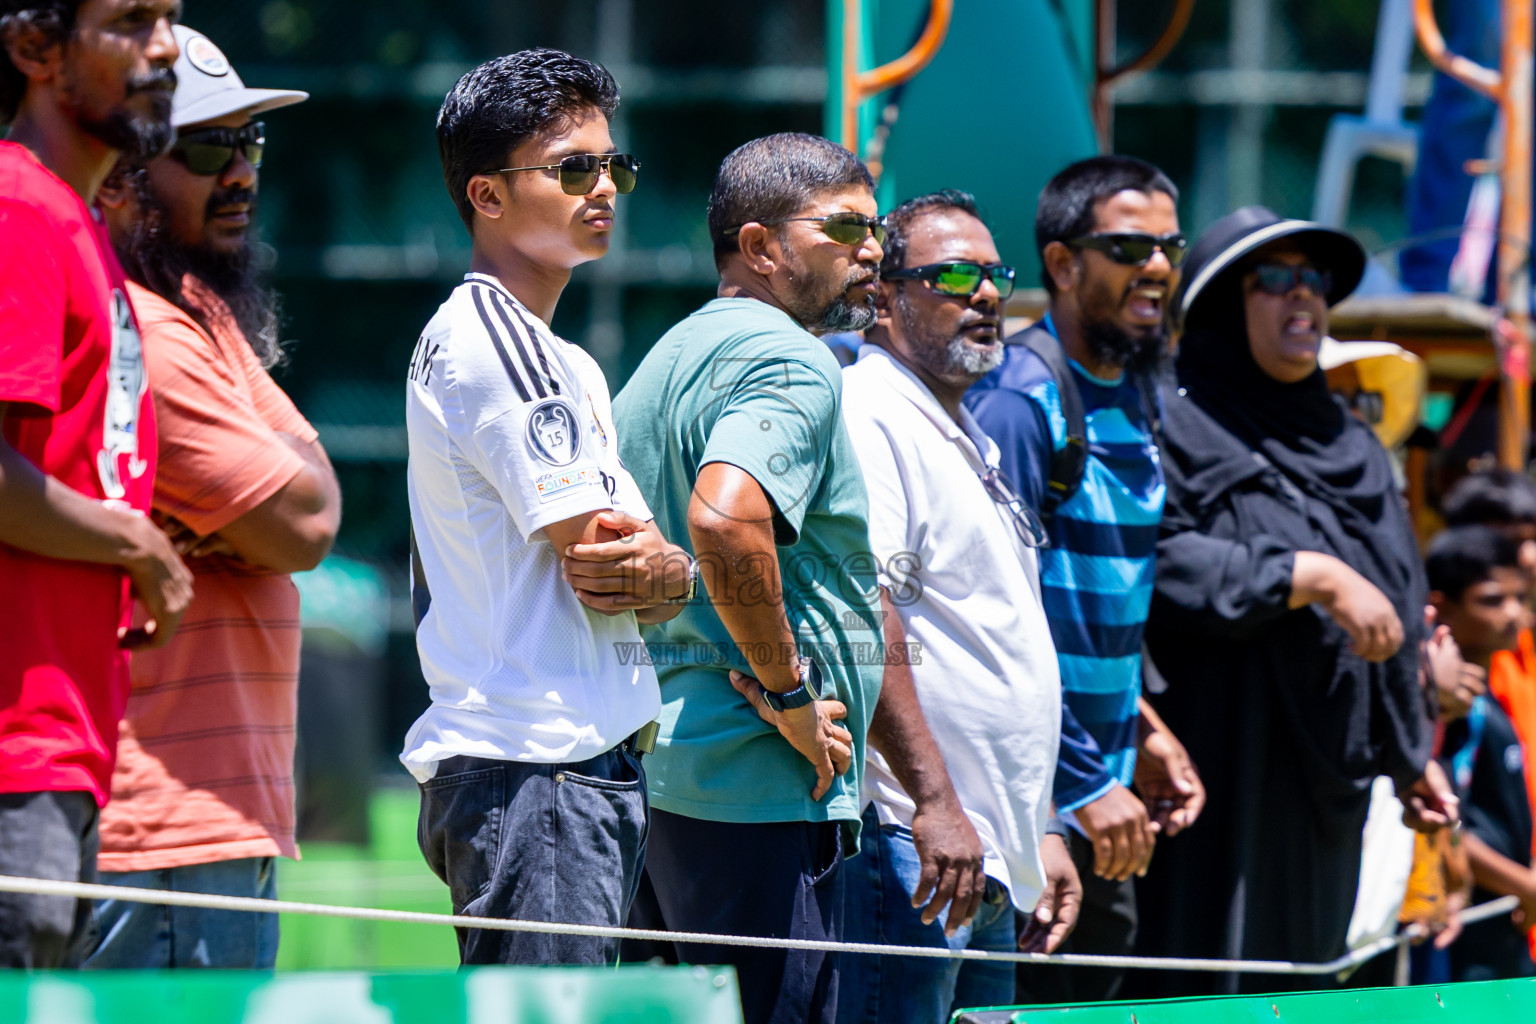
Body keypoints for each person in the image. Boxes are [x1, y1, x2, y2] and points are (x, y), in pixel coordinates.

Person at [402, 48, 690, 967]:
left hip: (553, 771)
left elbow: (644, 568)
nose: (603, 187)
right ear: (486, 195)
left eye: (614, 166)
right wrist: (674, 570)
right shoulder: (496, 339)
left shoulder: (559, 357)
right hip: (537, 770)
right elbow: (611, 561)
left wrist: (666, 569)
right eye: (572, 168)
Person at [1134, 205, 1458, 996]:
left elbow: (1398, 592)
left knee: (1303, 991)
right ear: (1221, 306)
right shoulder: (1166, 425)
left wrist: (1408, 752)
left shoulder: (1353, 444)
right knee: (1199, 988)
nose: (1303, 295)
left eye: (1315, 280)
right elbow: (1153, 561)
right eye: (1274, 278)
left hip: (1325, 783)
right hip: (1211, 770)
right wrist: (1304, 574)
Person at [613, 132, 885, 1024]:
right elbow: (725, 519)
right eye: (845, 228)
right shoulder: (791, 358)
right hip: (757, 780)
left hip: (661, 774)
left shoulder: (667, 356)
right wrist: (791, 693)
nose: (872, 250)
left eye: (876, 229)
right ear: (761, 247)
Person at [84, 25, 333, 969]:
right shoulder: (150, 331)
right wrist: (256, 511)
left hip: (202, 821)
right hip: (161, 834)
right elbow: (305, 521)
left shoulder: (198, 317)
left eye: (249, 142)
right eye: (204, 149)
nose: (240, 173)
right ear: (121, 175)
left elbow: (306, 494)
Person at [964, 155, 1204, 1003]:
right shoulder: (1018, 400)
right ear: (1063, 264)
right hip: (1035, 811)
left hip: (1099, 788)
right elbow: (990, 622)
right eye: (1130, 248)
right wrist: (1078, 782)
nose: (1159, 267)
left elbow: (1092, 611)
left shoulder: (1136, 391)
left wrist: (1143, 729)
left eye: (1169, 247)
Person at [837, 188, 1080, 1022]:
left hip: (986, 850)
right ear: (882, 298)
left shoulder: (962, 428)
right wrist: (935, 804)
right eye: (952, 275)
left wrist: (1039, 826)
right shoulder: (872, 413)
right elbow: (864, 609)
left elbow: (991, 645)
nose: (984, 294)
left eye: (994, 276)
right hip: (916, 842)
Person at [0, 0, 190, 968]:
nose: (166, 48)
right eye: (132, 20)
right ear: (35, 47)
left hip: (63, 751)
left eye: (172, 18)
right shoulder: (18, 208)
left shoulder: (70, 219)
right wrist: (136, 543)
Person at [1427, 526, 1536, 981]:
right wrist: (1525, 885)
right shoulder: (1446, 709)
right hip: (1458, 936)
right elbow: (1443, 819)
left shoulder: (1487, 696)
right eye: (1492, 600)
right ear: (1441, 606)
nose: (1513, 614)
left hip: (1502, 924)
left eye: (1519, 597)